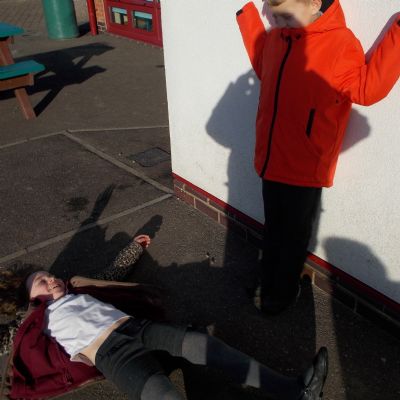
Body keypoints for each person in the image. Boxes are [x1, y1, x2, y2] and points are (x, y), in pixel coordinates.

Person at [236, 0, 400, 314]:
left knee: (292, 238)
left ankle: (280, 296)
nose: (279, 23)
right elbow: (263, 67)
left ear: (314, 4)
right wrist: (248, 19)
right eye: (276, 16)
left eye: (286, 15)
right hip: (271, 158)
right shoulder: (278, 38)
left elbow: (367, 89)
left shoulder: (339, 43)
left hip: (305, 166)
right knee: (274, 228)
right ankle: (267, 283)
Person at [8, 268, 329, 400]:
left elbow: (114, 271)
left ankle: (296, 391)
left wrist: (136, 246)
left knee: (203, 344)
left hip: (138, 328)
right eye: (41, 282)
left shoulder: (79, 288)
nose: (50, 280)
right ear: (31, 300)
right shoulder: (37, 323)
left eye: (50, 275)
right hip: (113, 356)